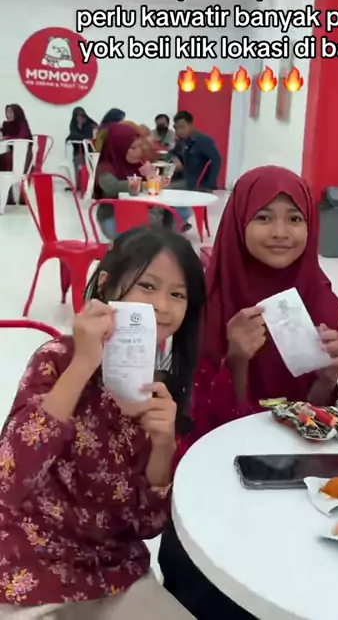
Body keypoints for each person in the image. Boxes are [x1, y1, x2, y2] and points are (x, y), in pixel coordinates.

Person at [159, 165, 338, 620]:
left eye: (294, 218)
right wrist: (237, 360)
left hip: (291, 480)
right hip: (214, 483)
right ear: (239, 221)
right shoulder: (203, 301)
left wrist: (327, 378)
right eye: (264, 217)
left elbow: (310, 417)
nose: (281, 232)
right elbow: (201, 432)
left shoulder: (316, 296)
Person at [0, 226, 204, 617]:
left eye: (178, 294)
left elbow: (147, 525)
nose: (161, 305)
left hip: (111, 573)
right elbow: (10, 481)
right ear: (108, 285)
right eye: (147, 285)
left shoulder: (162, 388)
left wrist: (164, 445)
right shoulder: (58, 359)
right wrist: (82, 364)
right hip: (28, 565)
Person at [93, 123, 167, 239]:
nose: (139, 152)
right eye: (133, 148)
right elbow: (111, 186)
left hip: (138, 213)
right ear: (119, 148)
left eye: (140, 147)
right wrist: (143, 185)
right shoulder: (105, 166)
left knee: (169, 215)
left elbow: (150, 189)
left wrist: (154, 178)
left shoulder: (139, 163)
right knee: (153, 224)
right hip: (113, 217)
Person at [170, 112, 221, 191]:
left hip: (198, 185)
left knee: (166, 189)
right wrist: (174, 158)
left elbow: (216, 160)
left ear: (191, 125)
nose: (179, 131)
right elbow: (172, 153)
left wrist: (209, 185)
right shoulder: (182, 141)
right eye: (177, 128)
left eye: (182, 127)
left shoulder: (202, 140)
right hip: (185, 181)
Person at [66, 107, 97, 182]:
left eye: (82, 116)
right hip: (78, 152)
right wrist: (79, 126)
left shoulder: (91, 124)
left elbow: (90, 138)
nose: (80, 118)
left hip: (90, 152)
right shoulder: (73, 124)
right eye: (78, 116)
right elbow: (73, 135)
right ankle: (80, 185)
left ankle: (90, 184)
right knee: (79, 167)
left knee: (91, 171)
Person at [0, 104, 33, 174]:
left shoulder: (22, 123)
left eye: (11, 112)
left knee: (6, 158)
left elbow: (21, 136)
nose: (8, 114)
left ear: (16, 113)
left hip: (23, 153)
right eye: (7, 112)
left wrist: (5, 138)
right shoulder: (6, 124)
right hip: (11, 151)